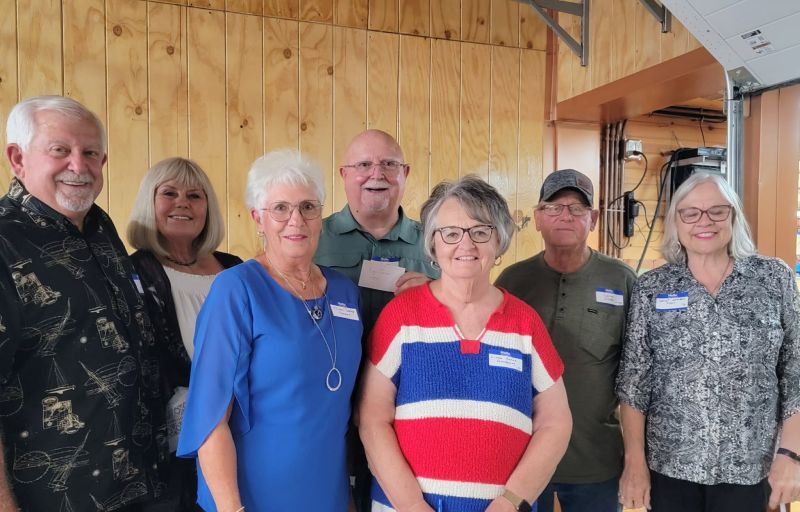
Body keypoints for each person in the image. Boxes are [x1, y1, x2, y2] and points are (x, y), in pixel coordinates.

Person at [359, 175, 572, 512]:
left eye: (480, 231)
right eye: (452, 233)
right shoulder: (400, 316)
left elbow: (556, 422)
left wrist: (511, 501)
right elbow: (372, 419)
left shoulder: (525, 323)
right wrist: (411, 505)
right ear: (433, 243)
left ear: (499, 240)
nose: (466, 245)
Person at [0, 95, 165, 510]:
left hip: (137, 485)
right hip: (52, 498)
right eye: (61, 150)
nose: (79, 165)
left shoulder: (99, 225)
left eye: (90, 153)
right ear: (17, 159)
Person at [176, 150, 363, 511]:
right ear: (258, 218)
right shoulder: (236, 289)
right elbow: (210, 418)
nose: (296, 220)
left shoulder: (344, 292)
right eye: (280, 208)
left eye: (308, 207)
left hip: (328, 491)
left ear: (321, 215)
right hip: (254, 494)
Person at [616, 171, 800, 512]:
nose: (705, 221)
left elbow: (795, 371)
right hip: (670, 468)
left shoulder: (773, 278)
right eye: (691, 212)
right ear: (676, 222)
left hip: (752, 467)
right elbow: (634, 383)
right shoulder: (652, 287)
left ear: (733, 216)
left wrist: (791, 454)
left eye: (718, 210)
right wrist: (635, 463)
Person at [496, 169, 636, 512]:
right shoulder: (512, 282)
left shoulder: (622, 280)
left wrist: (636, 460)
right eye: (554, 207)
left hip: (597, 462)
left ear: (594, 219)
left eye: (577, 209)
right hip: (521, 458)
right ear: (539, 218)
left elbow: (639, 376)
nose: (565, 216)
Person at [314, 129, 440, 511]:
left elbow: (466, 307)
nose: (377, 173)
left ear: (406, 173)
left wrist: (437, 292)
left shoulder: (436, 241)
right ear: (343, 174)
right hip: (329, 399)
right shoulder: (313, 237)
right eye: (363, 164)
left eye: (389, 164)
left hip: (408, 404)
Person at [127, 157, 242, 511]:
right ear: (151, 201)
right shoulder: (133, 272)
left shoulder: (235, 268)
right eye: (169, 193)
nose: (182, 203)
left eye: (195, 195)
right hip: (170, 438)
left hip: (242, 422)